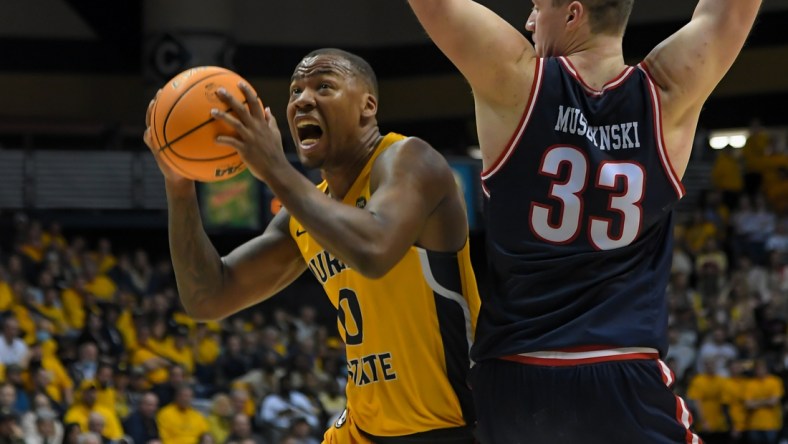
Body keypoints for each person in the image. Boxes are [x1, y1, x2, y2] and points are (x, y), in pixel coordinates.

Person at [406, 0, 761, 442]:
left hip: (517, 378)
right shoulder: (667, 91)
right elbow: (729, 13)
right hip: (622, 373)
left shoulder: (515, 79)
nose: (529, 22)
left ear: (573, 14)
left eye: (538, 8)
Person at [142, 48, 480, 443]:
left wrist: (274, 168)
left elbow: (375, 250)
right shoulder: (304, 213)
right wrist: (180, 184)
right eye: (295, 91)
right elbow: (207, 297)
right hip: (363, 427)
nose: (303, 99)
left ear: (367, 106)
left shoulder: (409, 158)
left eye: (324, 86)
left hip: (448, 424)